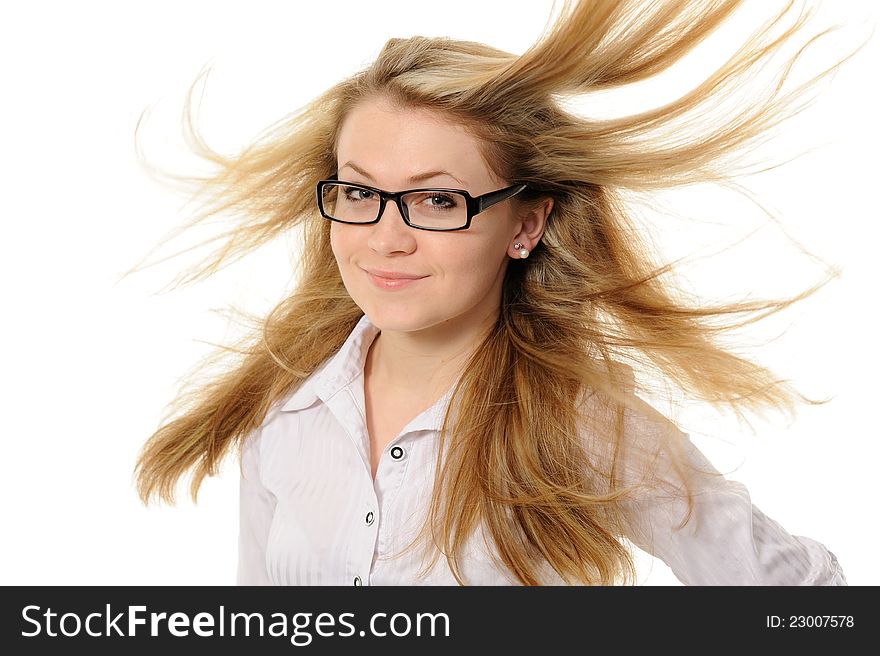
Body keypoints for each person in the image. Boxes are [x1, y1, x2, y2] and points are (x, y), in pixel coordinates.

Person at [132, 0, 863, 585]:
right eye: (359, 191)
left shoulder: (580, 425)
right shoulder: (284, 405)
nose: (386, 238)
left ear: (526, 223)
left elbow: (804, 602)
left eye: (439, 202)